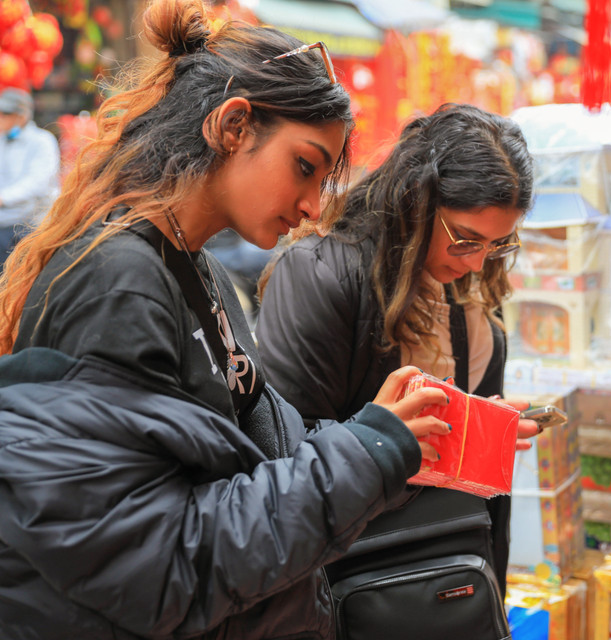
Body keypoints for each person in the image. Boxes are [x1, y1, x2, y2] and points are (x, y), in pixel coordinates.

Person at [0, 1, 453, 638]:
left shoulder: (195, 266)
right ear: (233, 126)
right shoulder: (116, 284)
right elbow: (157, 564)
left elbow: (260, 452)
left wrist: (400, 435)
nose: (312, 205)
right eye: (304, 166)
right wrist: (368, 450)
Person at [256, 103, 537, 638]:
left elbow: (471, 484)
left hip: (453, 578)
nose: (478, 262)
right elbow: (282, 453)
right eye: (465, 239)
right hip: (350, 590)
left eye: (499, 244)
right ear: (415, 203)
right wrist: (389, 442)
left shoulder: (472, 300)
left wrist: (480, 429)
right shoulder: (321, 277)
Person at [0, 87, 60, 263]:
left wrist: (3, 198)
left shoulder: (42, 141)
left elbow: (37, 183)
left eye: (5, 113)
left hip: (29, 225)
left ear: (22, 116)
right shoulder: (2, 140)